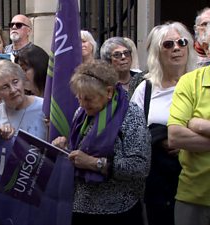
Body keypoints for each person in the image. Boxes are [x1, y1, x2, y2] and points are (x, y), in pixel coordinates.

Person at [52, 60, 150, 225]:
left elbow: (139, 167)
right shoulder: (81, 112)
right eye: (79, 98)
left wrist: (94, 163)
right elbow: (79, 151)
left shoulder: (131, 115)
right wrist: (65, 147)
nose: (82, 104)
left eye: (88, 99)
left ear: (109, 92)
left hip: (118, 211)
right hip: (79, 207)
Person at [130, 22, 197, 225]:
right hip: (157, 182)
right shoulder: (146, 89)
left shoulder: (200, 84)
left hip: (196, 177)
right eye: (168, 44)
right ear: (157, 52)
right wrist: (159, 139)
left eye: (182, 42)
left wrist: (185, 142)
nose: (176, 48)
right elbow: (131, 132)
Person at [168, 21, 210, 225]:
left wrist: (199, 125)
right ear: (207, 49)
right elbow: (175, 136)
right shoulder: (189, 82)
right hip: (193, 197)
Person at [0, 60, 47, 140]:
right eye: (5, 87)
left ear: (23, 81)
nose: (13, 90)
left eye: (15, 82)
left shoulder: (44, 107)